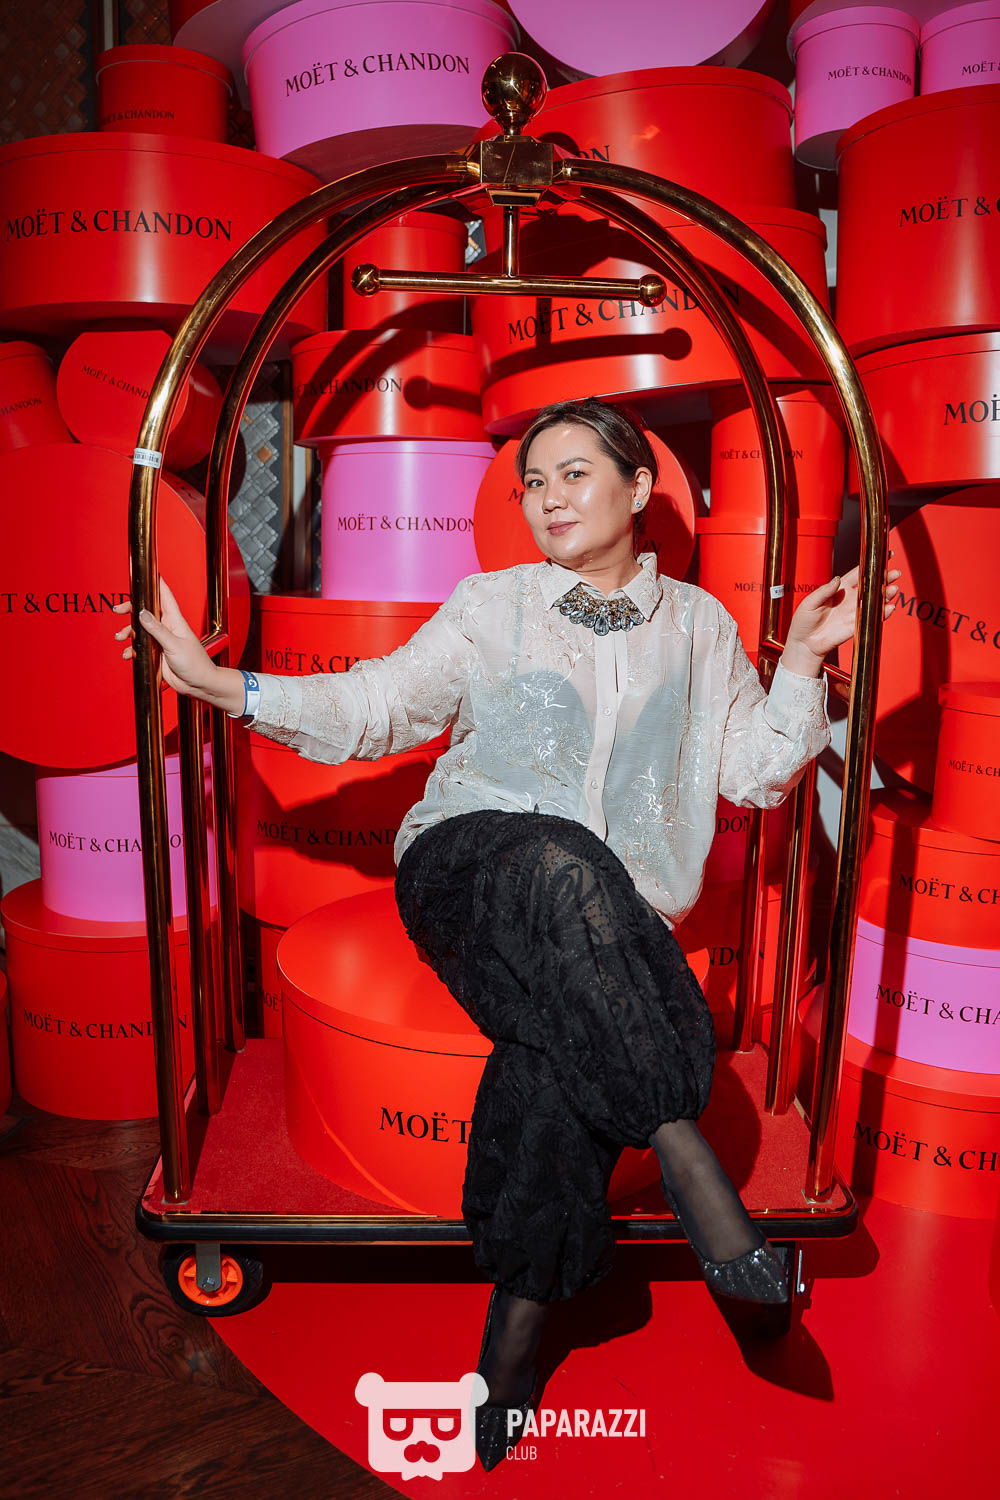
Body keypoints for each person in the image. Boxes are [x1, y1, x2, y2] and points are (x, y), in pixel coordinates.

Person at [113, 395, 900, 1471]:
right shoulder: (493, 605)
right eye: (534, 482)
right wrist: (225, 687)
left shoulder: (701, 627)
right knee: (556, 858)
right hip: (472, 868)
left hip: (607, 921)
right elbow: (377, 707)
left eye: (574, 473)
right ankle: (694, 1171)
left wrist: (803, 659)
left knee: (549, 1050)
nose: (548, 499)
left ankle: (518, 1323)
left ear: (640, 486)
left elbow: (757, 775)